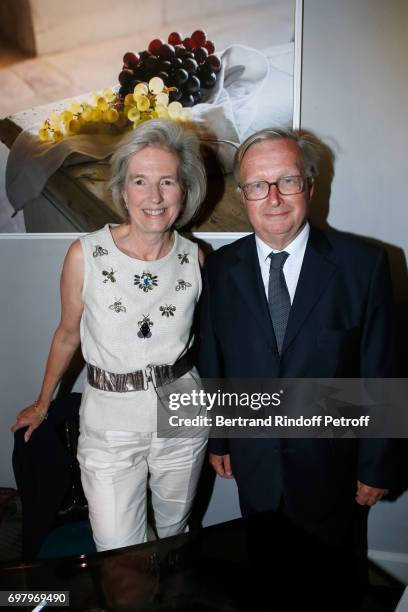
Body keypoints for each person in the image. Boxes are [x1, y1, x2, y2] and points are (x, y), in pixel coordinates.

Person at [11, 119, 208, 552]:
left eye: (167, 182)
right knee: (118, 550)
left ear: (184, 191)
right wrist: (43, 404)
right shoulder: (86, 255)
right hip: (109, 421)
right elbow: (67, 335)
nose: (153, 197)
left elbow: (210, 344)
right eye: (140, 181)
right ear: (122, 191)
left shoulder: (197, 258)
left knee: (175, 532)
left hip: (182, 413)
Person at [198, 128, 398, 549]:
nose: (273, 198)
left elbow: (382, 371)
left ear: (308, 185)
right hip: (255, 466)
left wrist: (377, 465)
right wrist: (220, 438)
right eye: (256, 185)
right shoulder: (218, 270)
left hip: (333, 471)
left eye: (286, 181)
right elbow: (216, 363)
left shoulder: (364, 266)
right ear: (242, 194)